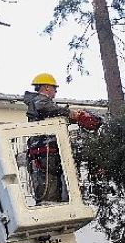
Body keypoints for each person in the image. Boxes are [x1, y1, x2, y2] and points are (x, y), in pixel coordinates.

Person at [23, 73, 83, 204]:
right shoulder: (40, 100)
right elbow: (47, 109)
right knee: (49, 181)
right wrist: (69, 113)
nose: (56, 91)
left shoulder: (43, 104)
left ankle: (57, 203)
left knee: (55, 179)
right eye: (54, 88)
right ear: (46, 87)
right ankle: (49, 205)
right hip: (44, 148)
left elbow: (52, 115)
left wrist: (71, 119)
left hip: (48, 149)